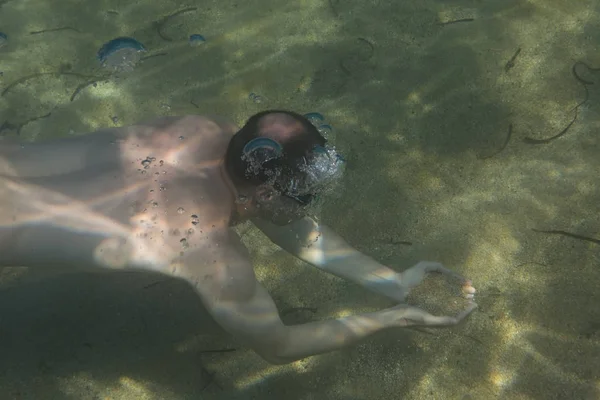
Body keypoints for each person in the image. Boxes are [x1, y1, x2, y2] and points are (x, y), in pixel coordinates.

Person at [0, 110, 476, 364]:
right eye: (305, 197)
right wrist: (396, 318)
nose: (304, 208)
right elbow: (279, 346)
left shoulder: (206, 129)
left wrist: (391, 281)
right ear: (268, 191)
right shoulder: (208, 249)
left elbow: (282, 218)